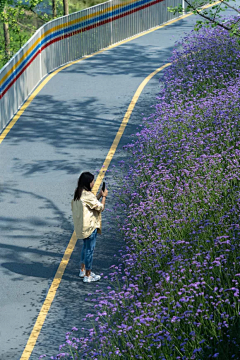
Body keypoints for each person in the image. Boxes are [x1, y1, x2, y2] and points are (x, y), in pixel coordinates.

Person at [71, 172, 108, 283]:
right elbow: (100, 207)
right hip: (90, 226)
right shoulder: (88, 195)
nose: (93, 183)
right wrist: (104, 197)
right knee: (89, 250)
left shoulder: (78, 193)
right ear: (88, 183)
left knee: (85, 248)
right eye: (92, 181)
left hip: (82, 227)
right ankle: (88, 275)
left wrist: (99, 196)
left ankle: (82, 270)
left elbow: (90, 203)